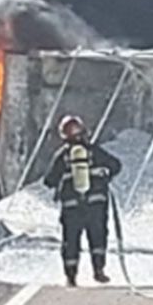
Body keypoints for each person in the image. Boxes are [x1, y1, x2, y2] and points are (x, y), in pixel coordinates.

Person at [43, 115, 122, 286]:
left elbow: (49, 180)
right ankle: (99, 271)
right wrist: (104, 176)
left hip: (72, 207)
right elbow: (116, 165)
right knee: (98, 236)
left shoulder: (62, 155)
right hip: (96, 204)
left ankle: (71, 277)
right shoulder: (95, 152)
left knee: (71, 240)